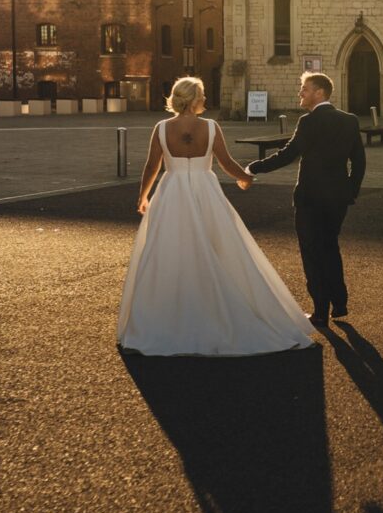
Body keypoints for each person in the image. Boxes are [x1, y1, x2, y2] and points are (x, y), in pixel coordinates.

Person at [117, 77, 315, 356]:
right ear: (195, 99)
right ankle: (218, 308)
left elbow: (152, 166)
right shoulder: (210, 127)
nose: (205, 100)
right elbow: (226, 162)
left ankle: (168, 314)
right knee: (220, 246)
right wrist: (245, 177)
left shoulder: (162, 128)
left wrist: (143, 196)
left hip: (171, 192)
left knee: (169, 251)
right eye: (202, 95)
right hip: (205, 191)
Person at [246, 72, 366, 326]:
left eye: (305, 89)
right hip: (338, 198)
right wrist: (350, 190)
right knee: (330, 247)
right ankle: (340, 302)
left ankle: (321, 310)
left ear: (319, 93)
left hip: (310, 198)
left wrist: (253, 168)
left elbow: (288, 154)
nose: (300, 92)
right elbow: (359, 161)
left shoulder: (308, 122)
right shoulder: (349, 121)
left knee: (312, 253)